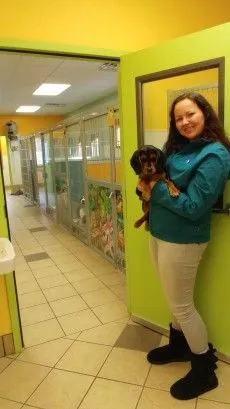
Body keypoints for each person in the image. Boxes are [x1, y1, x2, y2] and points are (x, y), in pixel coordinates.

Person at [146, 92, 230, 400]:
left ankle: (204, 368)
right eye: (178, 117)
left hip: (184, 240)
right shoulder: (175, 147)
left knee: (182, 304)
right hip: (159, 232)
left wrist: (155, 190)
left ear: (205, 114)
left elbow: (195, 206)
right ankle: (179, 346)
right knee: (171, 298)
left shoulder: (215, 155)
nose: (184, 122)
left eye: (190, 114)